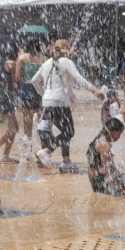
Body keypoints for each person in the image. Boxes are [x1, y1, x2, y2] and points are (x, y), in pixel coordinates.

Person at [30, 39, 104, 173]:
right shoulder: (67, 62)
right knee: (69, 132)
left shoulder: (46, 63)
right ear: (67, 49)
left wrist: (44, 94)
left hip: (47, 102)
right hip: (60, 103)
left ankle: (66, 162)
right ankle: (46, 151)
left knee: (65, 132)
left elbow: (34, 81)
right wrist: (95, 90)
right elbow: (79, 79)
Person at [0, 59, 20, 163]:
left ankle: (6, 154)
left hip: (7, 98)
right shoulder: (9, 61)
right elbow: (10, 66)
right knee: (12, 129)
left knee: (15, 128)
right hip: (4, 99)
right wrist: (19, 67)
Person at [15, 38, 46, 140]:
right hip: (40, 89)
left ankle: (28, 147)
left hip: (27, 88)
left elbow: (17, 77)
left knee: (27, 121)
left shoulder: (22, 58)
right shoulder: (43, 59)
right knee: (41, 119)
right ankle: (43, 147)